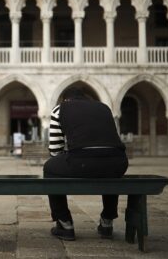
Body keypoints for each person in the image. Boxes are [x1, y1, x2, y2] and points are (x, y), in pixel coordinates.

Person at [43, 88, 128, 241]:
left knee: (49, 168)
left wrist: (69, 158)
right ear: (87, 99)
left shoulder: (60, 109)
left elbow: (55, 150)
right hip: (118, 162)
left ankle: (64, 223)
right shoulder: (104, 108)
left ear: (65, 100)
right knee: (109, 169)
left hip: (82, 162)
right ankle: (107, 221)